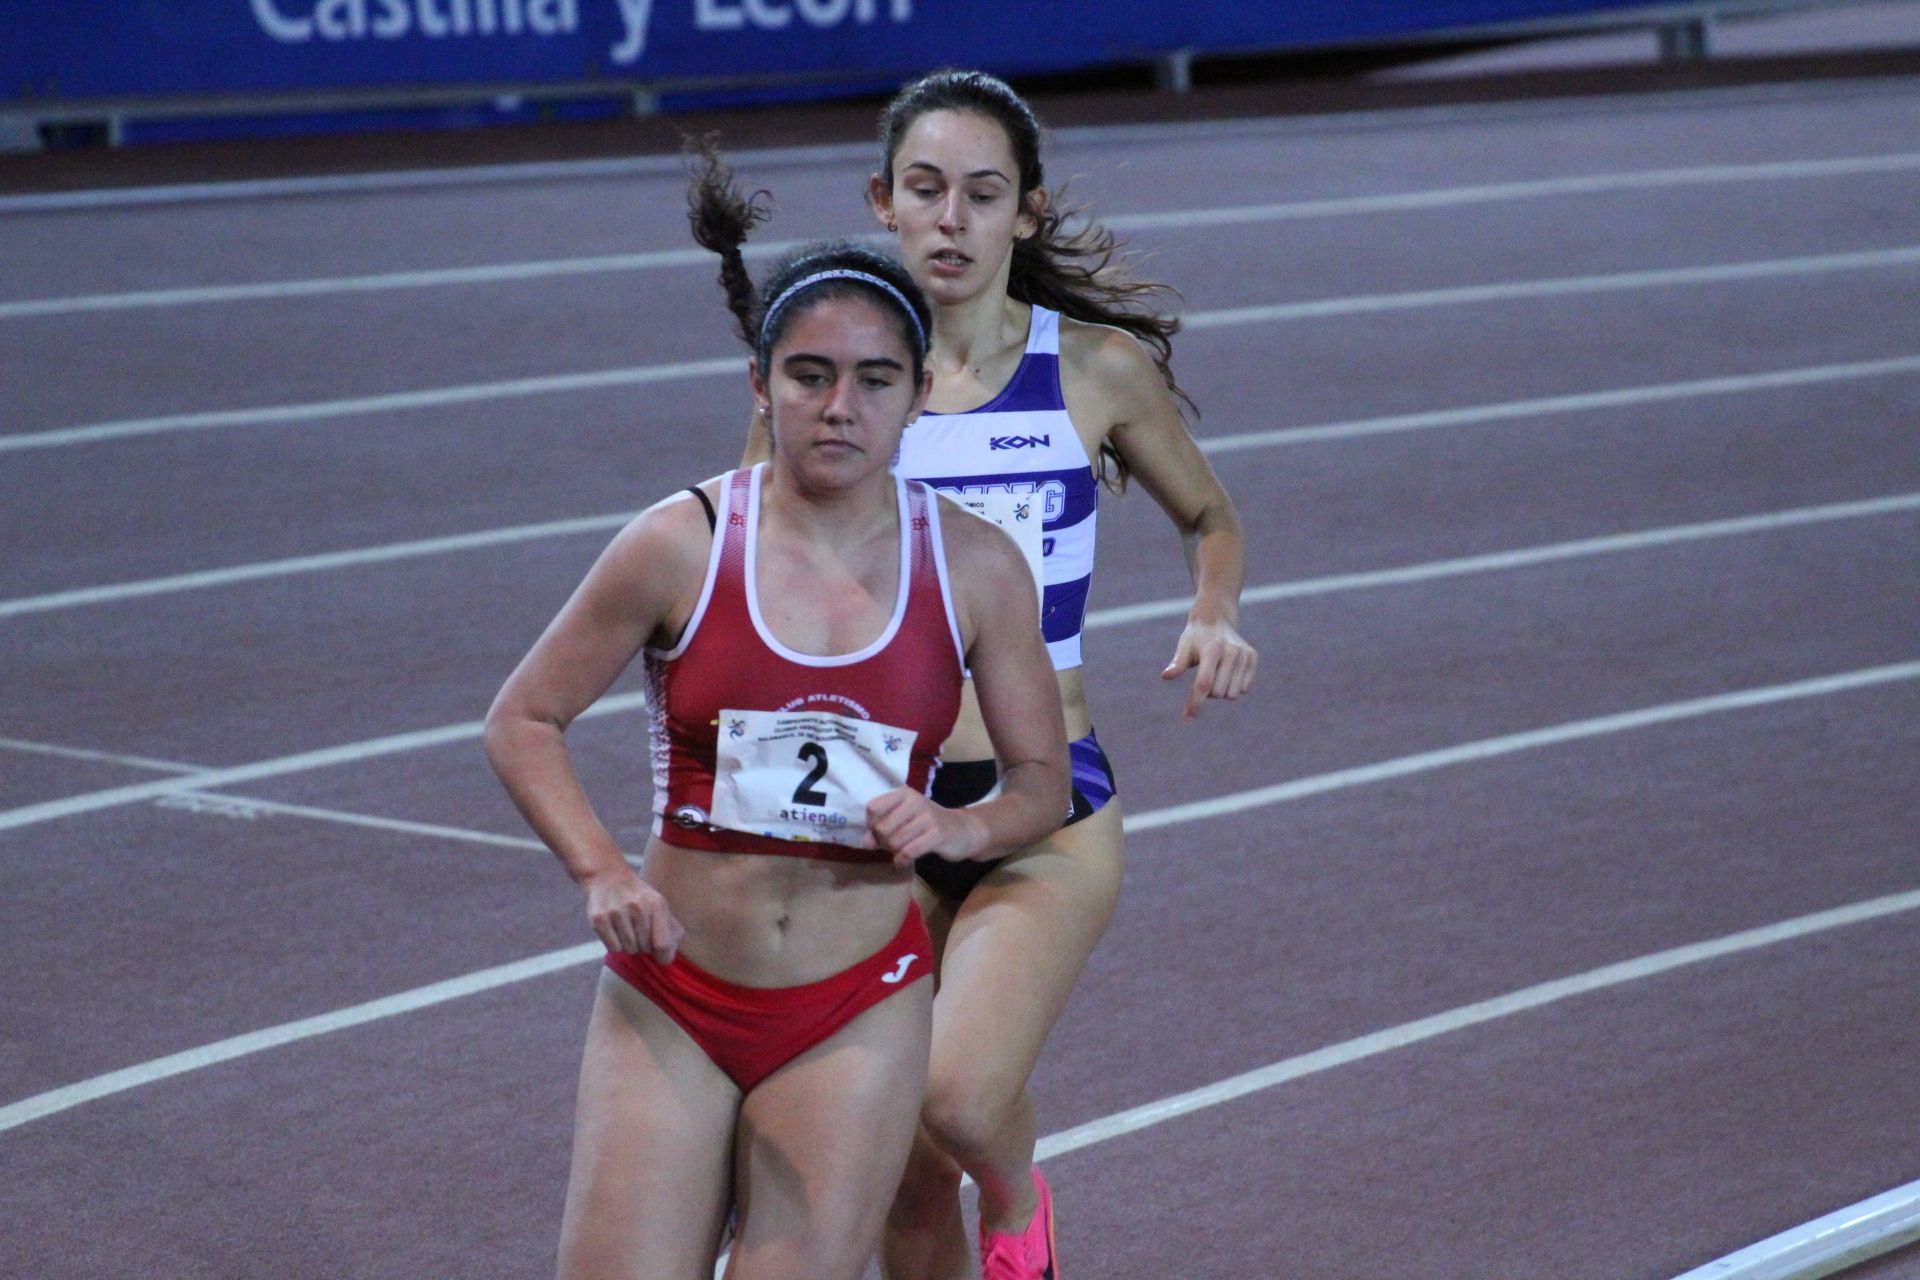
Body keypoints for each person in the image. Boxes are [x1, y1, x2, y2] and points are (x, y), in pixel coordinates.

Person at [732, 69, 1260, 1280]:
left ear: (1025, 211)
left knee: (962, 1098)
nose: (952, 219)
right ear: (885, 204)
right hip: (875, 804)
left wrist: (1214, 609)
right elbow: (750, 570)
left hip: (1045, 803)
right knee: (904, 1170)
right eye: (926, 191)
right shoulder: (831, 385)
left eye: (982, 193)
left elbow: (1211, 513)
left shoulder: (1095, 370)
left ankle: (1020, 1198)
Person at [485, 222, 1070, 1280]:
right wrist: (599, 869)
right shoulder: (682, 543)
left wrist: (955, 824)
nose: (840, 405)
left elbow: (1043, 780)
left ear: (920, 390)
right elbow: (522, 719)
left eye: (873, 379)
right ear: (760, 384)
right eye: (810, 374)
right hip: (672, 994)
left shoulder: (977, 567)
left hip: (855, 1003)